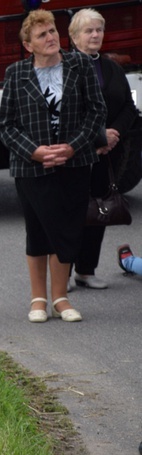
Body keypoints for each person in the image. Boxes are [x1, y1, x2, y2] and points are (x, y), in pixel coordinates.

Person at [0, 9, 106, 323]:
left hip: (75, 162)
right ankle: (38, 300)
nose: (51, 38)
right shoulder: (16, 73)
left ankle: (61, 298)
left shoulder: (80, 65)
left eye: (53, 31)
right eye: (42, 34)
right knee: (38, 231)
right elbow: (5, 125)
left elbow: (96, 112)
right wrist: (36, 151)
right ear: (29, 45)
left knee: (68, 230)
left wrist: (72, 147)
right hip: (31, 167)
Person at [68, 8, 140, 290]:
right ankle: (65, 270)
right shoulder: (65, 69)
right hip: (75, 153)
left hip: (108, 152)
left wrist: (114, 135)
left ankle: (86, 271)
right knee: (72, 211)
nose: (95, 35)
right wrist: (97, 136)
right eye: (89, 30)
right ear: (74, 37)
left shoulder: (111, 67)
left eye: (99, 30)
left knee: (98, 210)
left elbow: (128, 108)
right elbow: (65, 112)